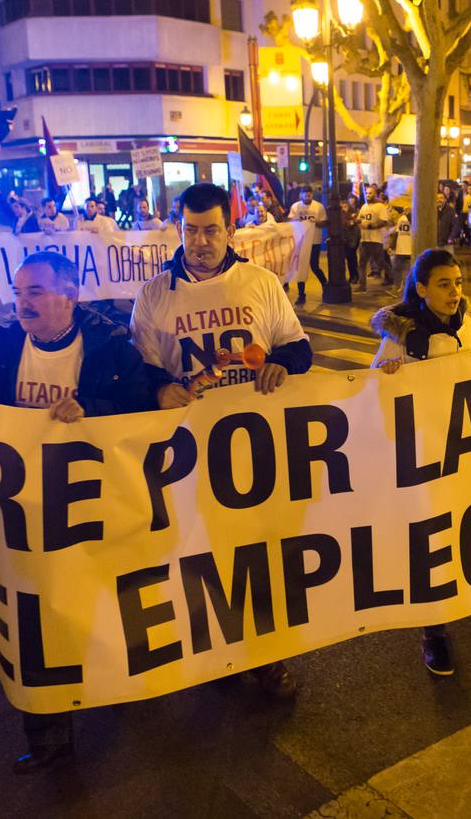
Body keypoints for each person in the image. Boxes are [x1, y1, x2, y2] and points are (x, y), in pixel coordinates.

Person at [129, 183, 312, 698]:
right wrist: (159, 388)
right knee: (196, 551)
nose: (201, 240)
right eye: (191, 230)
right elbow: (138, 369)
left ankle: (264, 656)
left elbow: (299, 348)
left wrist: (280, 363)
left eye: (211, 229)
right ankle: (209, 648)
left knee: (258, 551)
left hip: (254, 448)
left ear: (230, 230)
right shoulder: (154, 295)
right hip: (186, 451)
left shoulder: (259, 283)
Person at [0, 250, 155, 773]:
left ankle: (117, 680)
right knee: (37, 614)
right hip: (26, 505)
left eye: (35, 291)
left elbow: (141, 408)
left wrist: (91, 412)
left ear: (70, 295)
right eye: (18, 292)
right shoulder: (6, 342)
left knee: (101, 602)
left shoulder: (111, 345)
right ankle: (50, 731)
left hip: (94, 502)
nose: (22, 303)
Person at [370, 249, 471, 676]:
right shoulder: (401, 339)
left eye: (457, 282)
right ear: (421, 289)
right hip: (422, 459)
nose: (455, 292)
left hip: (467, 454)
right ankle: (434, 632)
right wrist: (389, 381)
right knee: (430, 543)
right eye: (443, 284)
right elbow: (376, 397)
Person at [288, 188, 329, 305]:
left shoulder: (319, 207)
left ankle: (325, 286)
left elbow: (324, 222)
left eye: (309, 194)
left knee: (314, 266)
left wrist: (315, 223)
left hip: (314, 241)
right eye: (305, 194)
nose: (307, 196)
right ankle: (301, 294)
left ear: (312, 195)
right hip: (301, 241)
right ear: (301, 195)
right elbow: (290, 220)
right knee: (301, 267)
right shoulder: (296, 207)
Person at [356, 190, 394, 290]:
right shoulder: (364, 207)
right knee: (362, 263)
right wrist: (357, 221)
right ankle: (362, 285)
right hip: (364, 239)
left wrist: (370, 226)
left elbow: (383, 222)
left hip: (375, 240)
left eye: (370, 193)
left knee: (380, 262)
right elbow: (359, 218)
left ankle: (393, 278)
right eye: (367, 193)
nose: (368, 195)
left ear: (375, 195)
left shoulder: (380, 207)